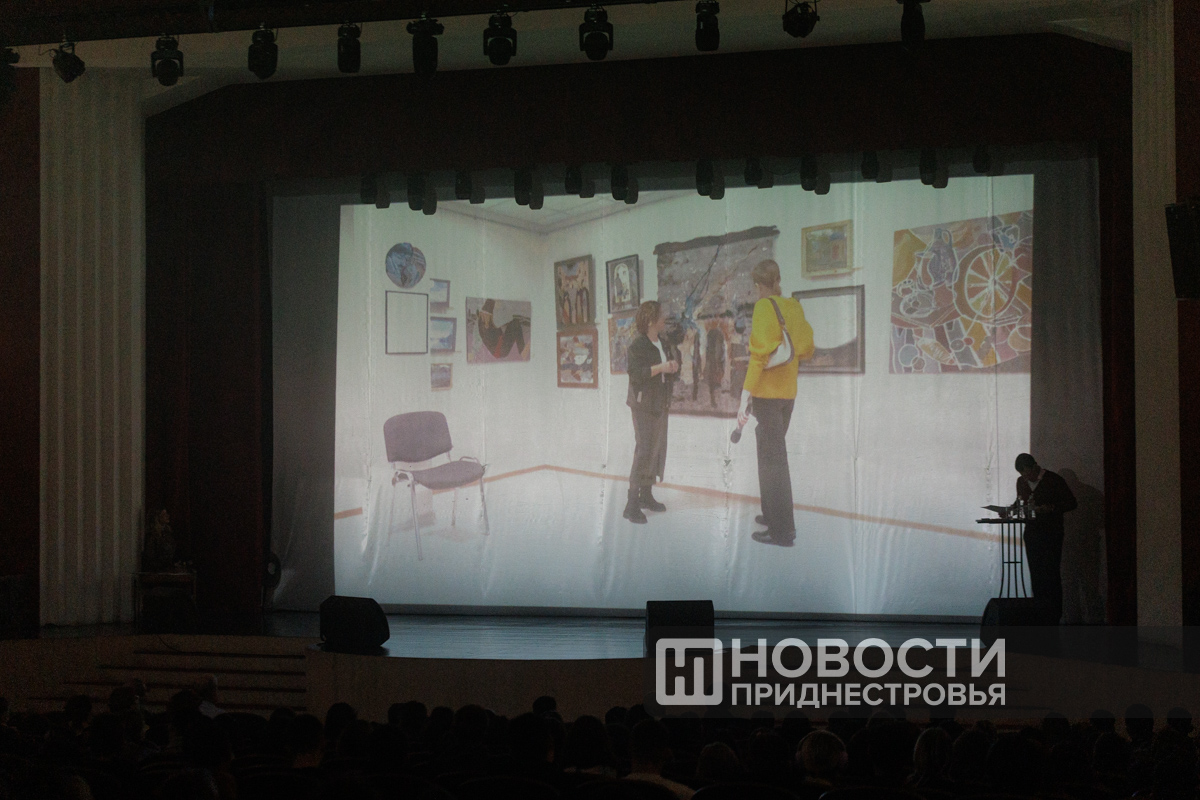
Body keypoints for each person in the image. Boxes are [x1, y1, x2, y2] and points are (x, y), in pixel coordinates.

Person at [738, 260, 815, 546]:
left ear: (759, 284)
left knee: (774, 463)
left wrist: (744, 395)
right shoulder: (792, 306)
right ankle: (771, 514)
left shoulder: (763, 307)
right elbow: (807, 348)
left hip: (767, 396)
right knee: (771, 455)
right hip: (788, 394)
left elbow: (758, 357)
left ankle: (783, 531)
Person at [625, 301, 679, 524]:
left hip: (660, 402)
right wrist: (662, 368)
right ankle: (631, 504)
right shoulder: (637, 345)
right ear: (650, 320)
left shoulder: (663, 343)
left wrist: (673, 367)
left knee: (656, 450)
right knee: (645, 450)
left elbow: (667, 370)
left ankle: (646, 496)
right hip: (643, 405)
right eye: (660, 315)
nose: (663, 318)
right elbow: (636, 375)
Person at [1010, 453, 1077, 623]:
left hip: (1051, 533)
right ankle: (1040, 613)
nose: (1026, 477)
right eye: (1022, 475)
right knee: (1036, 574)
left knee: (1051, 574)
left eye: (1027, 473)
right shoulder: (1021, 482)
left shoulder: (1054, 480)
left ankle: (1054, 615)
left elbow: (1071, 503)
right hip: (1032, 533)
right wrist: (1010, 510)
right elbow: (1020, 502)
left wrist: (1051, 508)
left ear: (1035, 466)